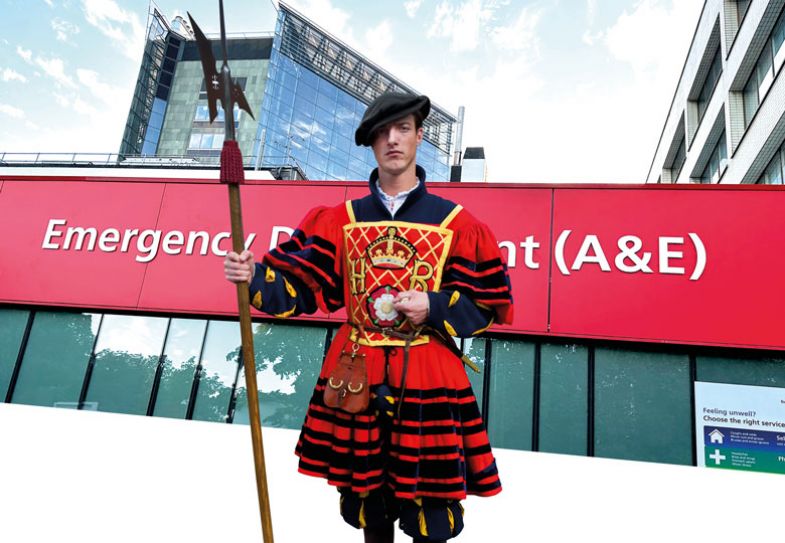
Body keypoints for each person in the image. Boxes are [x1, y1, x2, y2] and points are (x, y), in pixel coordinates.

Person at [224, 92, 514, 543]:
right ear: (370, 143)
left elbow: (484, 308)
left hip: (428, 375)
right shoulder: (339, 220)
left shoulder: (459, 224)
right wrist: (254, 276)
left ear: (419, 136)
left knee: (430, 513)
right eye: (382, 132)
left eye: (402, 129)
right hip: (355, 370)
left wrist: (434, 306)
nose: (392, 139)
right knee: (369, 505)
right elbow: (300, 290)